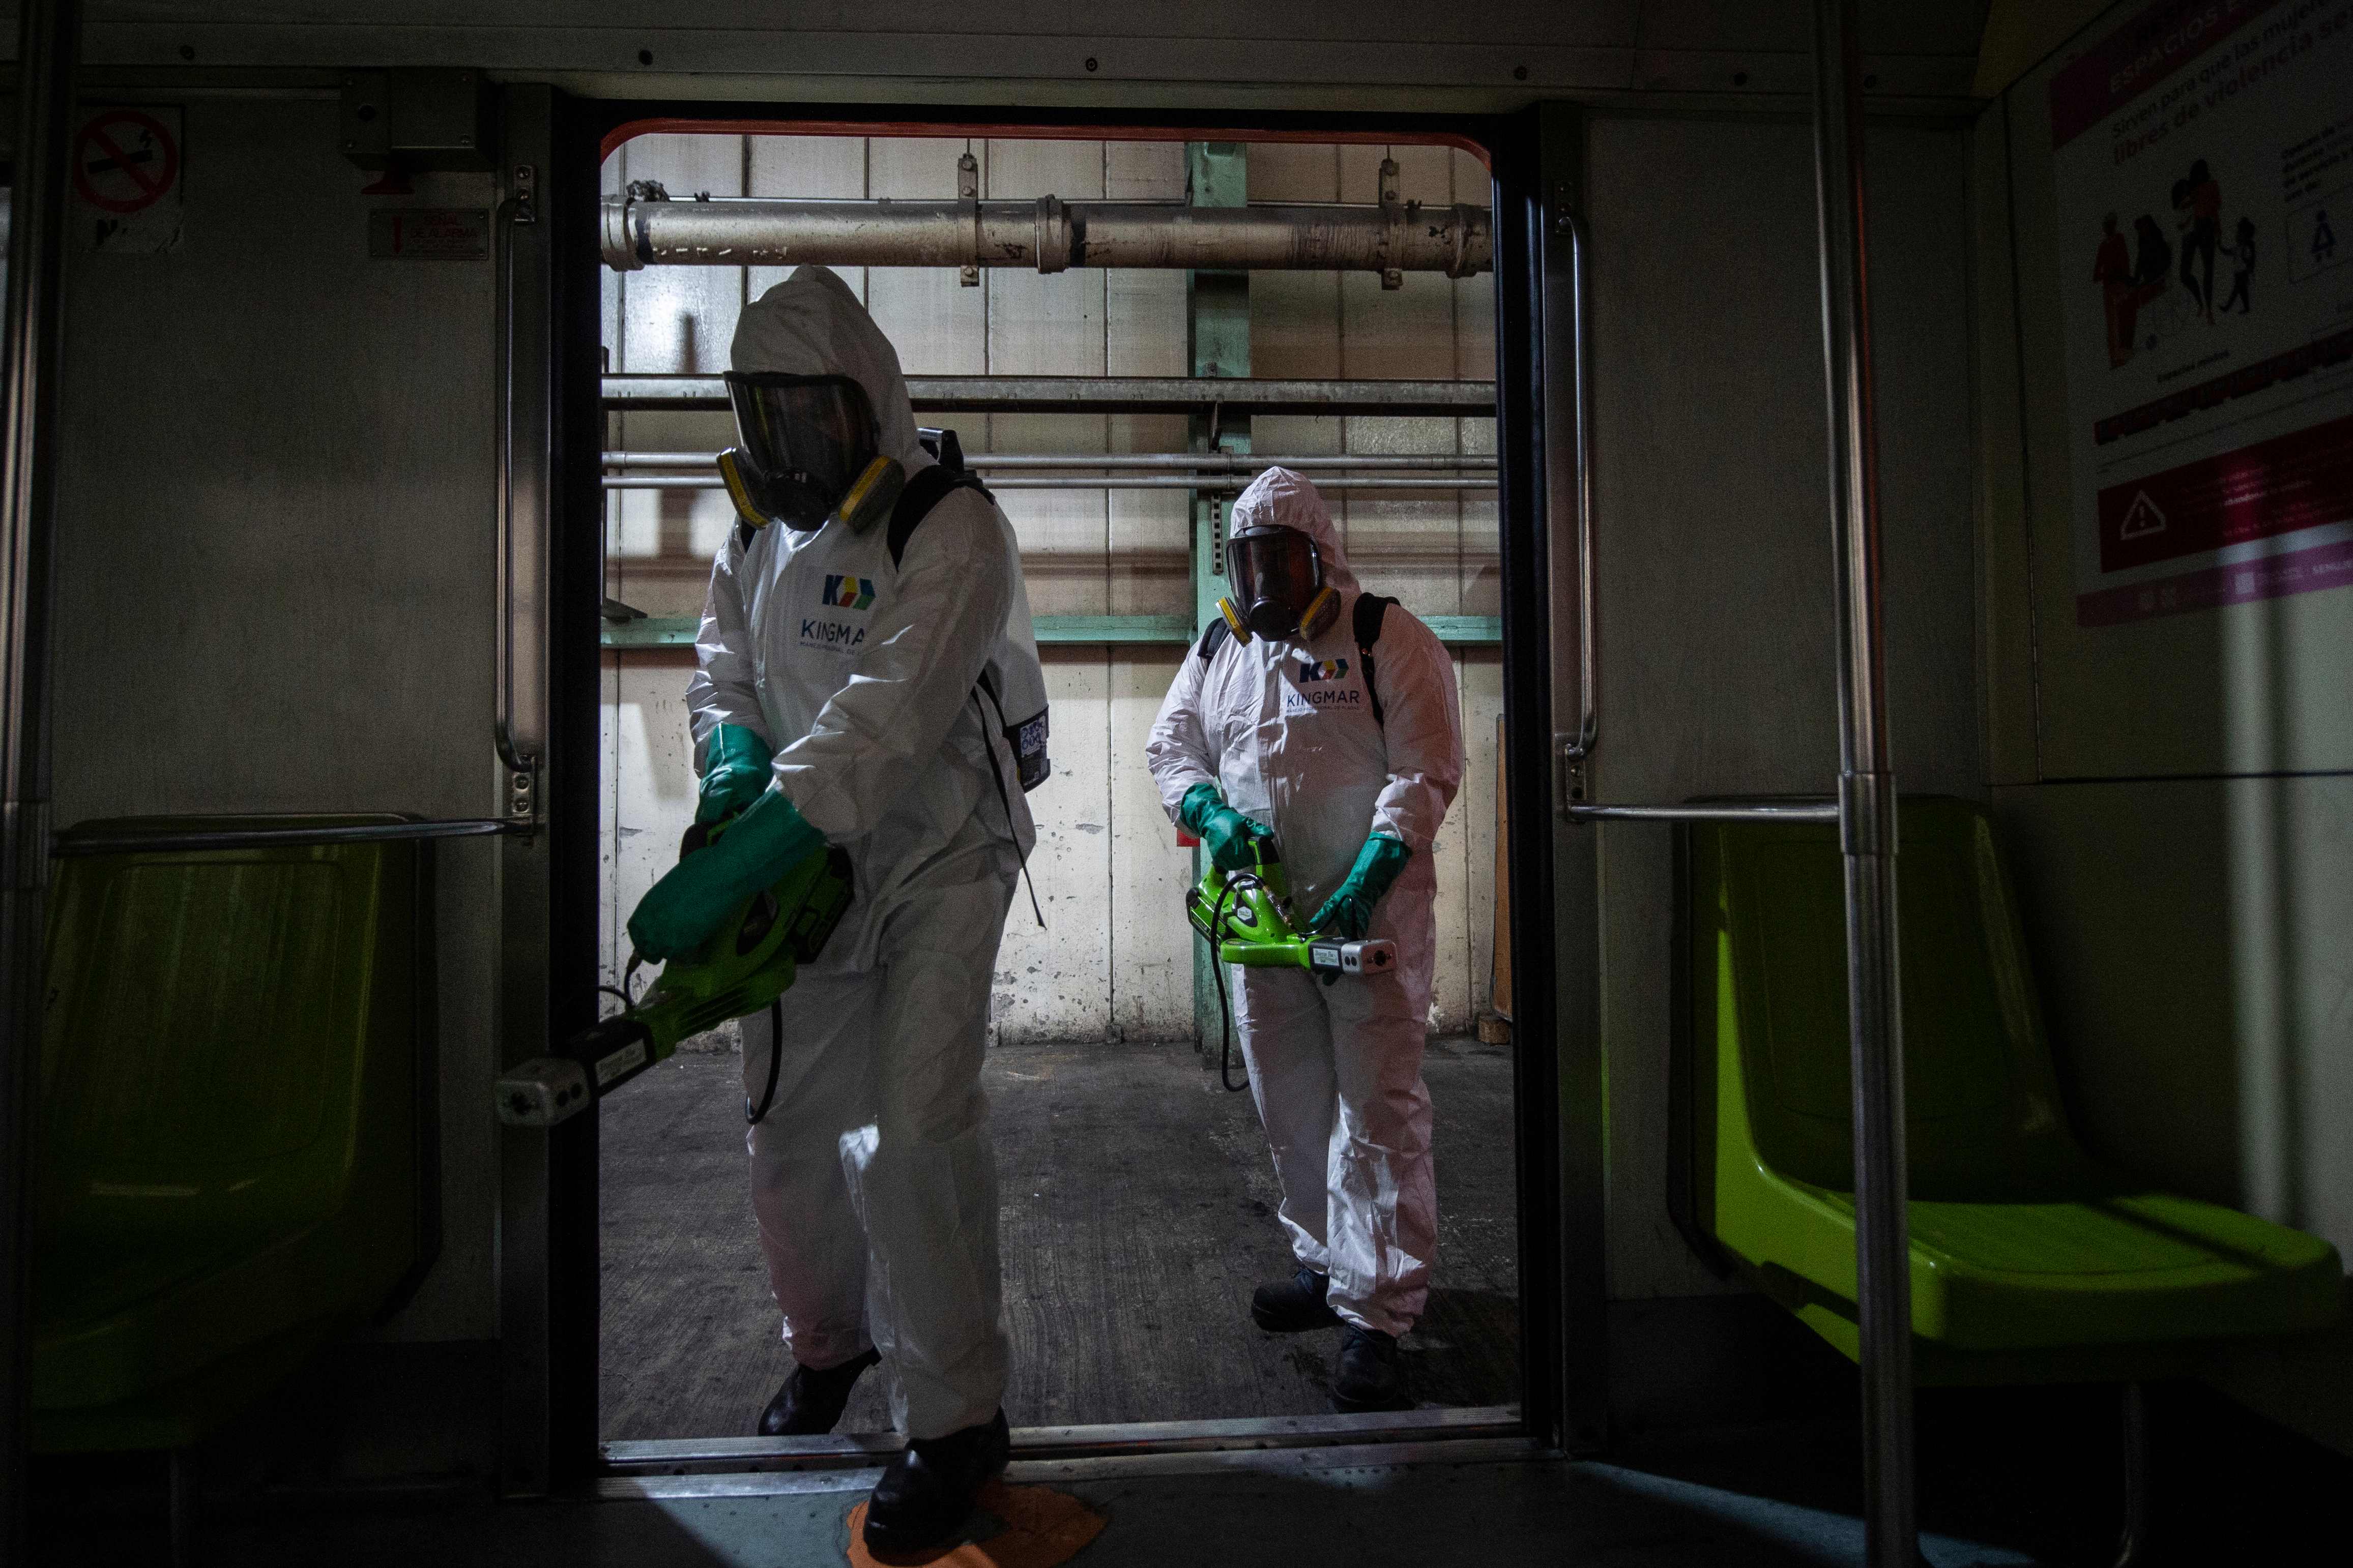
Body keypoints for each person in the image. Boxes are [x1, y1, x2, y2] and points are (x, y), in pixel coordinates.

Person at [626, 264, 1045, 1555]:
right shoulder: (755, 542)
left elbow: (889, 721)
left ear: (872, 404)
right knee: (790, 1131)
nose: (791, 448)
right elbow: (721, 675)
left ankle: (956, 1421)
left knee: (912, 1134)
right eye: (768, 419)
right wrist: (731, 765)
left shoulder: (951, 527)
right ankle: (828, 1346)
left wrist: (750, 846)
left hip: (937, 862)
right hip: (801, 870)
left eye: (815, 416)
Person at [1145, 467, 1464, 1412]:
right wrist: (1209, 814)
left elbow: (1425, 771)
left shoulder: (1385, 638)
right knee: (1289, 1103)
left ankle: (1379, 1313)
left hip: (1370, 920)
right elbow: (1172, 747)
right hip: (1266, 923)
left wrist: (1370, 876)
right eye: (1245, 564)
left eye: (1278, 562)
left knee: (1377, 1109)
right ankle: (1325, 1264)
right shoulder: (1222, 649)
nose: (1261, 585)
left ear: (1320, 557)